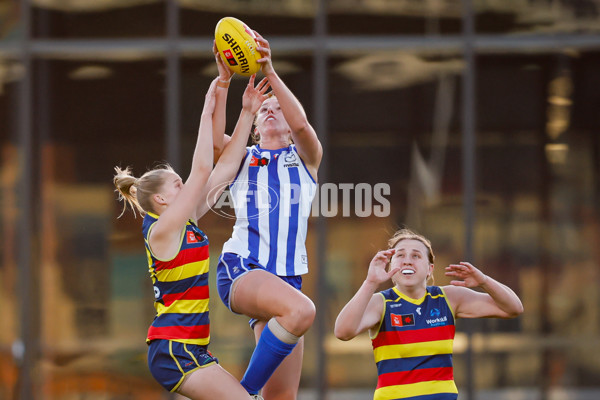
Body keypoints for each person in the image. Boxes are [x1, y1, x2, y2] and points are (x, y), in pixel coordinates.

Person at [113, 72, 270, 400]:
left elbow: (224, 168)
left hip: (192, 349)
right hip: (173, 350)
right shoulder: (160, 231)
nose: (184, 185)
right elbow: (201, 171)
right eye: (176, 185)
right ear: (161, 200)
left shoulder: (186, 221)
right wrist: (205, 110)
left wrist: (246, 111)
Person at [213, 31, 323, 400]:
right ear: (255, 126)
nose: (271, 111)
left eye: (278, 108)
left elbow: (305, 126)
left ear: (289, 126)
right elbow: (215, 143)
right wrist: (225, 82)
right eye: (264, 110)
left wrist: (270, 71)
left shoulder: (306, 158)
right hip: (242, 266)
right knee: (302, 312)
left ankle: (247, 394)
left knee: (283, 397)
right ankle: (242, 393)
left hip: (286, 281)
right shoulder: (244, 156)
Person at [334, 228, 524, 400]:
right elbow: (342, 331)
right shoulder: (381, 302)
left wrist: (483, 280)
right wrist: (370, 282)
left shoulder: (448, 297)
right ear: (391, 265)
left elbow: (513, 308)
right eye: (400, 255)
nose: (407, 260)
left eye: (416, 255)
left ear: (429, 268)